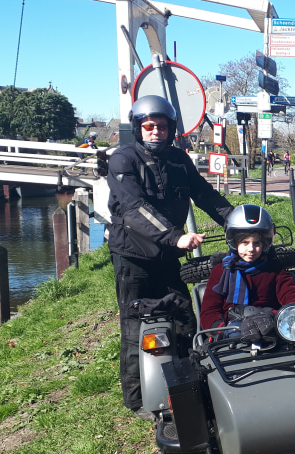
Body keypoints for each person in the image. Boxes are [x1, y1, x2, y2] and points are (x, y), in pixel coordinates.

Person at [106, 95, 233, 420]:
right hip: (132, 256)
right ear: (138, 128)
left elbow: (204, 194)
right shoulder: (123, 160)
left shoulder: (178, 159)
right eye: (148, 126)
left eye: (161, 126)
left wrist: (239, 221)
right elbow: (135, 209)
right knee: (136, 325)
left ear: (171, 128)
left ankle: (188, 383)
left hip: (167, 256)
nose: (155, 131)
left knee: (183, 317)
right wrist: (177, 237)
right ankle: (137, 399)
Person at [200, 204, 295, 334]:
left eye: (256, 243)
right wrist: (223, 329)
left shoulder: (273, 268)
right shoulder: (221, 271)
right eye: (245, 242)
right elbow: (209, 311)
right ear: (233, 242)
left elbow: (291, 293)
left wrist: (293, 313)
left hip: (270, 326)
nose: (251, 249)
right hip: (232, 332)